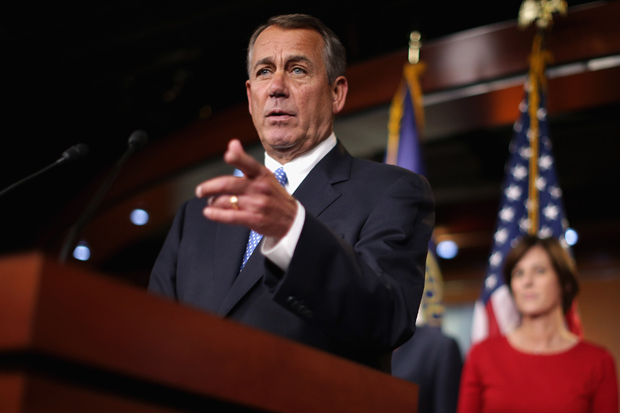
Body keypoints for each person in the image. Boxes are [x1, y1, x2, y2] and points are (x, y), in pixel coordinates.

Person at [148, 14, 434, 372]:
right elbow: (155, 335)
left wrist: (293, 231)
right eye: (265, 72)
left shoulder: (391, 192)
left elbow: (385, 321)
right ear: (251, 96)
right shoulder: (198, 214)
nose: (277, 87)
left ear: (336, 92)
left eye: (297, 70)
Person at [457, 235, 618, 413]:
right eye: (518, 273)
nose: (527, 282)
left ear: (565, 284)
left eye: (539, 271)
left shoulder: (598, 362)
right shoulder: (482, 355)